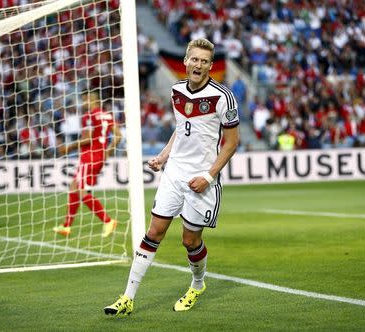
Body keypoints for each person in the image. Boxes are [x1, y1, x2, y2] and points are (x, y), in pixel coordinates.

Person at [104, 38, 239, 316]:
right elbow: (181, 128)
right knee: (154, 232)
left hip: (202, 179)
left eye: (204, 61)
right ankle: (128, 297)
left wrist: (209, 176)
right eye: (195, 59)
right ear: (186, 61)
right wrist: (165, 155)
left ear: (210, 66)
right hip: (174, 173)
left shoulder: (223, 97)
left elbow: (231, 143)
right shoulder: (176, 90)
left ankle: (197, 283)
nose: (199, 64)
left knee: (189, 241)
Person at [54, 91, 122, 238]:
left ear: (90, 99)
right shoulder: (107, 115)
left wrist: (68, 147)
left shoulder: (89, 116)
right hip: (99, 156)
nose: (83, 103)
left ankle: (108, 221)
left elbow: (87, 139)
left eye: (84, 100)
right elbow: (118, 135)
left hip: (89, 156)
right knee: (74, 186)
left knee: (82, 191)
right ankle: (66, 226)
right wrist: (108, 151)